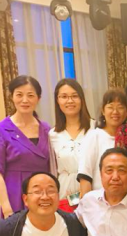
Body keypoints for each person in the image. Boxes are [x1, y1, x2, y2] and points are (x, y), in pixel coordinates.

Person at [0, 75, 52, 218]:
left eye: (30, 95)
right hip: (15, 194)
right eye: (19, 95)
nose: (25, 100)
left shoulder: (46, 129)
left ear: (38, 98)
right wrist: (7, 209)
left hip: (43, 194)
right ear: (12, 97)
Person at [49, 78, 94, 211]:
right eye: (64, 97)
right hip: (64, 196)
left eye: (74, 96)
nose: (69, 101)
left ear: (82, 99)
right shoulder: (52, 135)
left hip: (94, 194)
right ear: (57, 101)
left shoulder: (95, 128)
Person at [78, 88, 127, 198]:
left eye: (120, 107)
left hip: (126, 201)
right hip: (99, 200)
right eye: (110, 107)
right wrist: (87, 204)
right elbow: (85, 176)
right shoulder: (94, 136)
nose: (115, 112)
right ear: (103, 110)